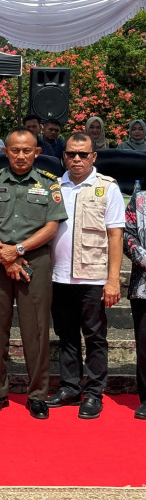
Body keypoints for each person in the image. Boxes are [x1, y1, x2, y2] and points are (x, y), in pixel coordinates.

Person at [0, 128, 67, 419]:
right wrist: (3, 254)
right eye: (14, 150)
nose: (20, 155)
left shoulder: (49, 183)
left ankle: (38, 395)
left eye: (26, 150)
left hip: (35, 260)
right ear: (5, 151)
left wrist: (16, 250)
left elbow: (51, 227)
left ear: (37, 153)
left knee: (37, 330)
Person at [46, 132, 123, 419]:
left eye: (82, 154)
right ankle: (69, 386)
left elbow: (115, 236)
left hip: (92, 276)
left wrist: (113, 280)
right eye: (70, 154)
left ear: (94, 156)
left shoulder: (108, 188)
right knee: (65, 335)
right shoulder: (54, 186)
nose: (76, 159)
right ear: (63, 156)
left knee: (95, 337)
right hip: (58, 275)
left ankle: (93, 392)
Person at [124, 177, 146, 419]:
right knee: (145, 345)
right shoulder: (139, 198)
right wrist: (142, 256)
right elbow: (127, 233)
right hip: (144, 284)